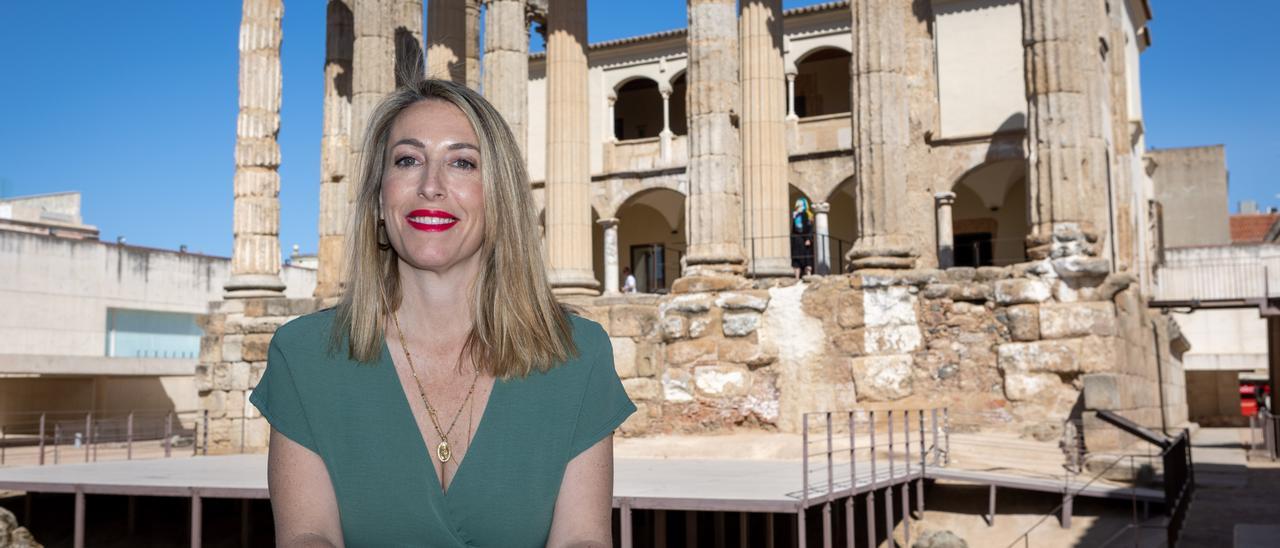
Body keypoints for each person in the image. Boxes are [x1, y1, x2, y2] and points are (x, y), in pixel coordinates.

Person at [250, 78, 635, 547]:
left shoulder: (577, 354)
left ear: (500, 196)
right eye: (408, 160)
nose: (431, 186)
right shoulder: (305, 355)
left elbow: (582, 540)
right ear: (378, 195)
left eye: (462, 162)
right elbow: (308, 536)